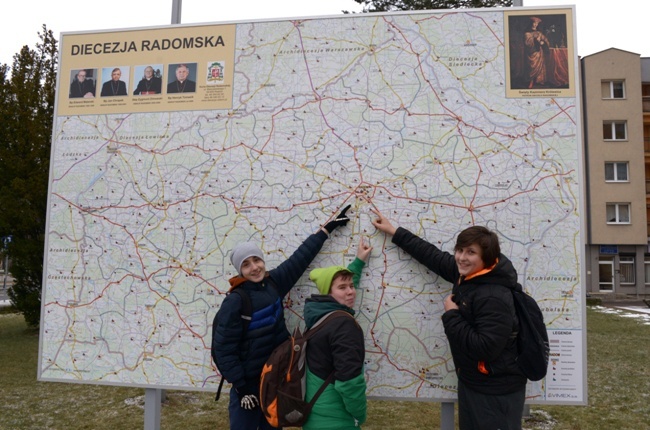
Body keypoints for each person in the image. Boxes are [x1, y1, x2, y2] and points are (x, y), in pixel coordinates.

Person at [371, 208, 526, 430]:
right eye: (460, 250)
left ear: (487, 257)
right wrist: (395, 232)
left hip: (495, 390)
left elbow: (486, 348)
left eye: (470, 252)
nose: (462, 257)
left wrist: (452, 315)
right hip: (478, 382)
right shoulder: (470, 276)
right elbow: (432, 256)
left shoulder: (493, 295)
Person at [212, 205, 352, 430]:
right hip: (248, 386)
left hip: (274, 379)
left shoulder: (273, 284)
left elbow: (299, 259)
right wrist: (241, 387)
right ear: (240, 270)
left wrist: (327, 229)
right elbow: (223, 348)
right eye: (246, 264)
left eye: (256, 260)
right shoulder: (236, 301)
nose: (254, 267)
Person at [302, 236, 372, 430]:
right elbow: (349, 381)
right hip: (336, 419)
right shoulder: (343, 326)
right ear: (329, 293)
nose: (350, 291)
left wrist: (358, 262)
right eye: (343, 287)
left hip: (315, 414)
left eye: (351, 286)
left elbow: (342, 287)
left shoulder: (319, 314)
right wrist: (360, 415)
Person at [524, 16, 550, 89]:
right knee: (531, 67)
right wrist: (536, 40)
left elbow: (546, 40)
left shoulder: (539, 33)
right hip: (531, 52)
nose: (535, 25)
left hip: (539, 53)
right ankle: (530, 81)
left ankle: (539, 80)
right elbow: (528, 43)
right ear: (531, 23)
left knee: (540, 67)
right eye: (534, 23)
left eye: (536, 23)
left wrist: (543, 42)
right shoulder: (527, 34)